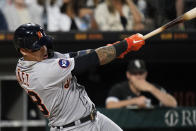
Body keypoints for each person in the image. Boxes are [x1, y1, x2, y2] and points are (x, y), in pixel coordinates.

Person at [13, 23, 145, 131]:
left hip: (93, 118)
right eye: (37, 48)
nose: (44, 49)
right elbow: (92, 60)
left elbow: (74, 55)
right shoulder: (43, 71)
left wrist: (111, 49)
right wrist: (125, 45)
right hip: (73, 127)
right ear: (23, 51)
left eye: (44, 44)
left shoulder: (23, 64)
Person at [106, 59, 177, 109]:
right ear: (128, 75)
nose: (138, 76)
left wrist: (151, 89)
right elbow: (110, 105)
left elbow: (173, 104)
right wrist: (135, 101)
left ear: (145, 74)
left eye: (141, 73)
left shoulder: (153, 87)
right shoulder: (119, 88)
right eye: (134, 73)